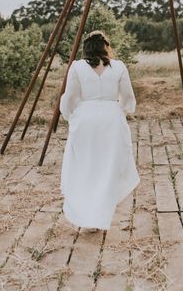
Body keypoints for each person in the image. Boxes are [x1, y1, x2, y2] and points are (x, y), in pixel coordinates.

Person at [59, 30, 140, 231]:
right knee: (108, 167)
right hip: (112, 119)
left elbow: (69, 97)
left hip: (85, 120)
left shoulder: (77, 67)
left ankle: (89, 217)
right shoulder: (119, 66)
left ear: (86, 47)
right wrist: (122, 110)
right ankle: (100, 211)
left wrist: (71, 116)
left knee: (86, 167)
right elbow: (128, 96)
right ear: (106, 47)